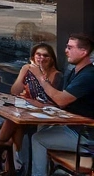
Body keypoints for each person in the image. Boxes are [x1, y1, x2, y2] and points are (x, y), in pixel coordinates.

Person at [29, 34, 94, 176]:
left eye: (70, 47)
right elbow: (62, 103)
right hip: (73, 127)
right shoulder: (74, 72)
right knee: (37, 128)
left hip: (85, 137)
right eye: (66, 46)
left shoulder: (89, 75)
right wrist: (39, 104)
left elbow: (62, 100)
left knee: (38, 139)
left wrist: (40, 78)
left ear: (84, 52)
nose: (66, 50)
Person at [0, 43, 62, 168]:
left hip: (46, 116)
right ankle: (13, 163)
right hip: (28, 112)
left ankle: (2, 150)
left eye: (45, 55)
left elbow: (54, 102)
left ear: (52, 58)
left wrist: (38, 77)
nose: (41, 58)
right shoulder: (28, 70)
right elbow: (15, 91)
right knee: (15, 123)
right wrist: (24, 71)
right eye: (38, 55)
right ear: (33, 57)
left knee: (14, 124)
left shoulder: (57, 75)